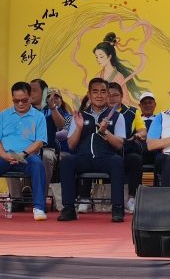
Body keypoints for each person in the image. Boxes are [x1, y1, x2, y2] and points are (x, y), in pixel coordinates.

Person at [57, 78, 127, 222]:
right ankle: (69, 208)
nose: (99, 95)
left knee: (117, 161)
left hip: (105, 158)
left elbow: (119, 144)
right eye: (95, 91)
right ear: (89, 94)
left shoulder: (117, 116)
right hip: (84, 157)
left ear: (108, 94)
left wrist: (105, 132)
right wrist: (79, 128)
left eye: (103, 91)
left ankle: (117, 209)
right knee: (67, 161)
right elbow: (71, 145)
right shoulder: (79, 115)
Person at [6, 79, 63, 212]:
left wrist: (53, 108)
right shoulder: (21, 110)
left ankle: (40, 199)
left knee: (46, 157)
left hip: (46, 149)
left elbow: (61, 125)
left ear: (44, 93)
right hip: (24, 150)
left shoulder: (51, 109)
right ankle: (17, 199)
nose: (30, 93)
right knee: (9, 155)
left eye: (34, 90)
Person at [0, 82, 49, 221]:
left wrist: (23, 154)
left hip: (27, 156)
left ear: (30, 97)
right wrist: (4, 155)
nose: (20, 103)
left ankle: (39, 208)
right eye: (16, 100)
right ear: (12, 98)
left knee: (38, 165)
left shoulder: (38, 116)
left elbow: (40, 141)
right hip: (5, 155)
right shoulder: (3, 115)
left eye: (24, 100)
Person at [107, 82, 148, 213]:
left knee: (136, 159)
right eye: (109, 95)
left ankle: (132, 198)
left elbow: (143, 131)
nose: (112, 98)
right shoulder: (101, 112)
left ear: (122, 96)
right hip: (105, 152)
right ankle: (84, 197)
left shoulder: (132, 112)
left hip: (126, 150)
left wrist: (138, 135)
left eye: (115, 95)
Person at [94, 32, 145, 103]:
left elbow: (125, 100)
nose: (98, 60)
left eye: (101, 56)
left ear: (109, 56)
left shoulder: (119, 77)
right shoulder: (98, 76)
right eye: (97, 57)